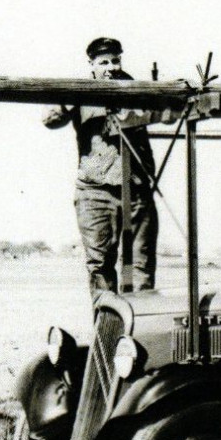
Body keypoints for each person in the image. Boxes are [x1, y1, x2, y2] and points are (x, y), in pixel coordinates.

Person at [42, 36, 161, 298]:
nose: (110, 67)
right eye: (103, 62)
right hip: (95, 192)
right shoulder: (82, 91)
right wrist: (70, 98)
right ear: (92, 65)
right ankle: (107, 332)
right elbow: (49, 119)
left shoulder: (137, 89)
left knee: (141, 267)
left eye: (115, 60)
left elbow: (166, 111)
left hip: (137, 191)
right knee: (100, 266)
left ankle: (140, 331)